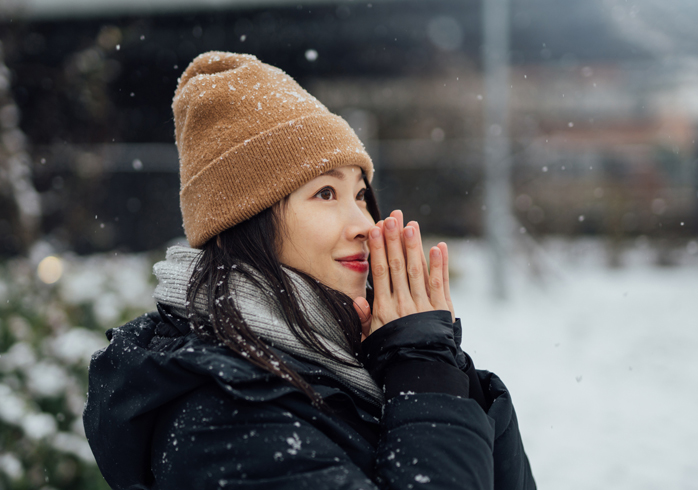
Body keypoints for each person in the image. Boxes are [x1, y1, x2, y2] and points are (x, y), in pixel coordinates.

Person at [83, 51, 536, 490]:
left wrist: (436, 365)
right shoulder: (221, 418)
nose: (364, 224)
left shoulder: (353, 355)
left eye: (360, 194)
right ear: (245, 221)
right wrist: (426, 379)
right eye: (325, 193)